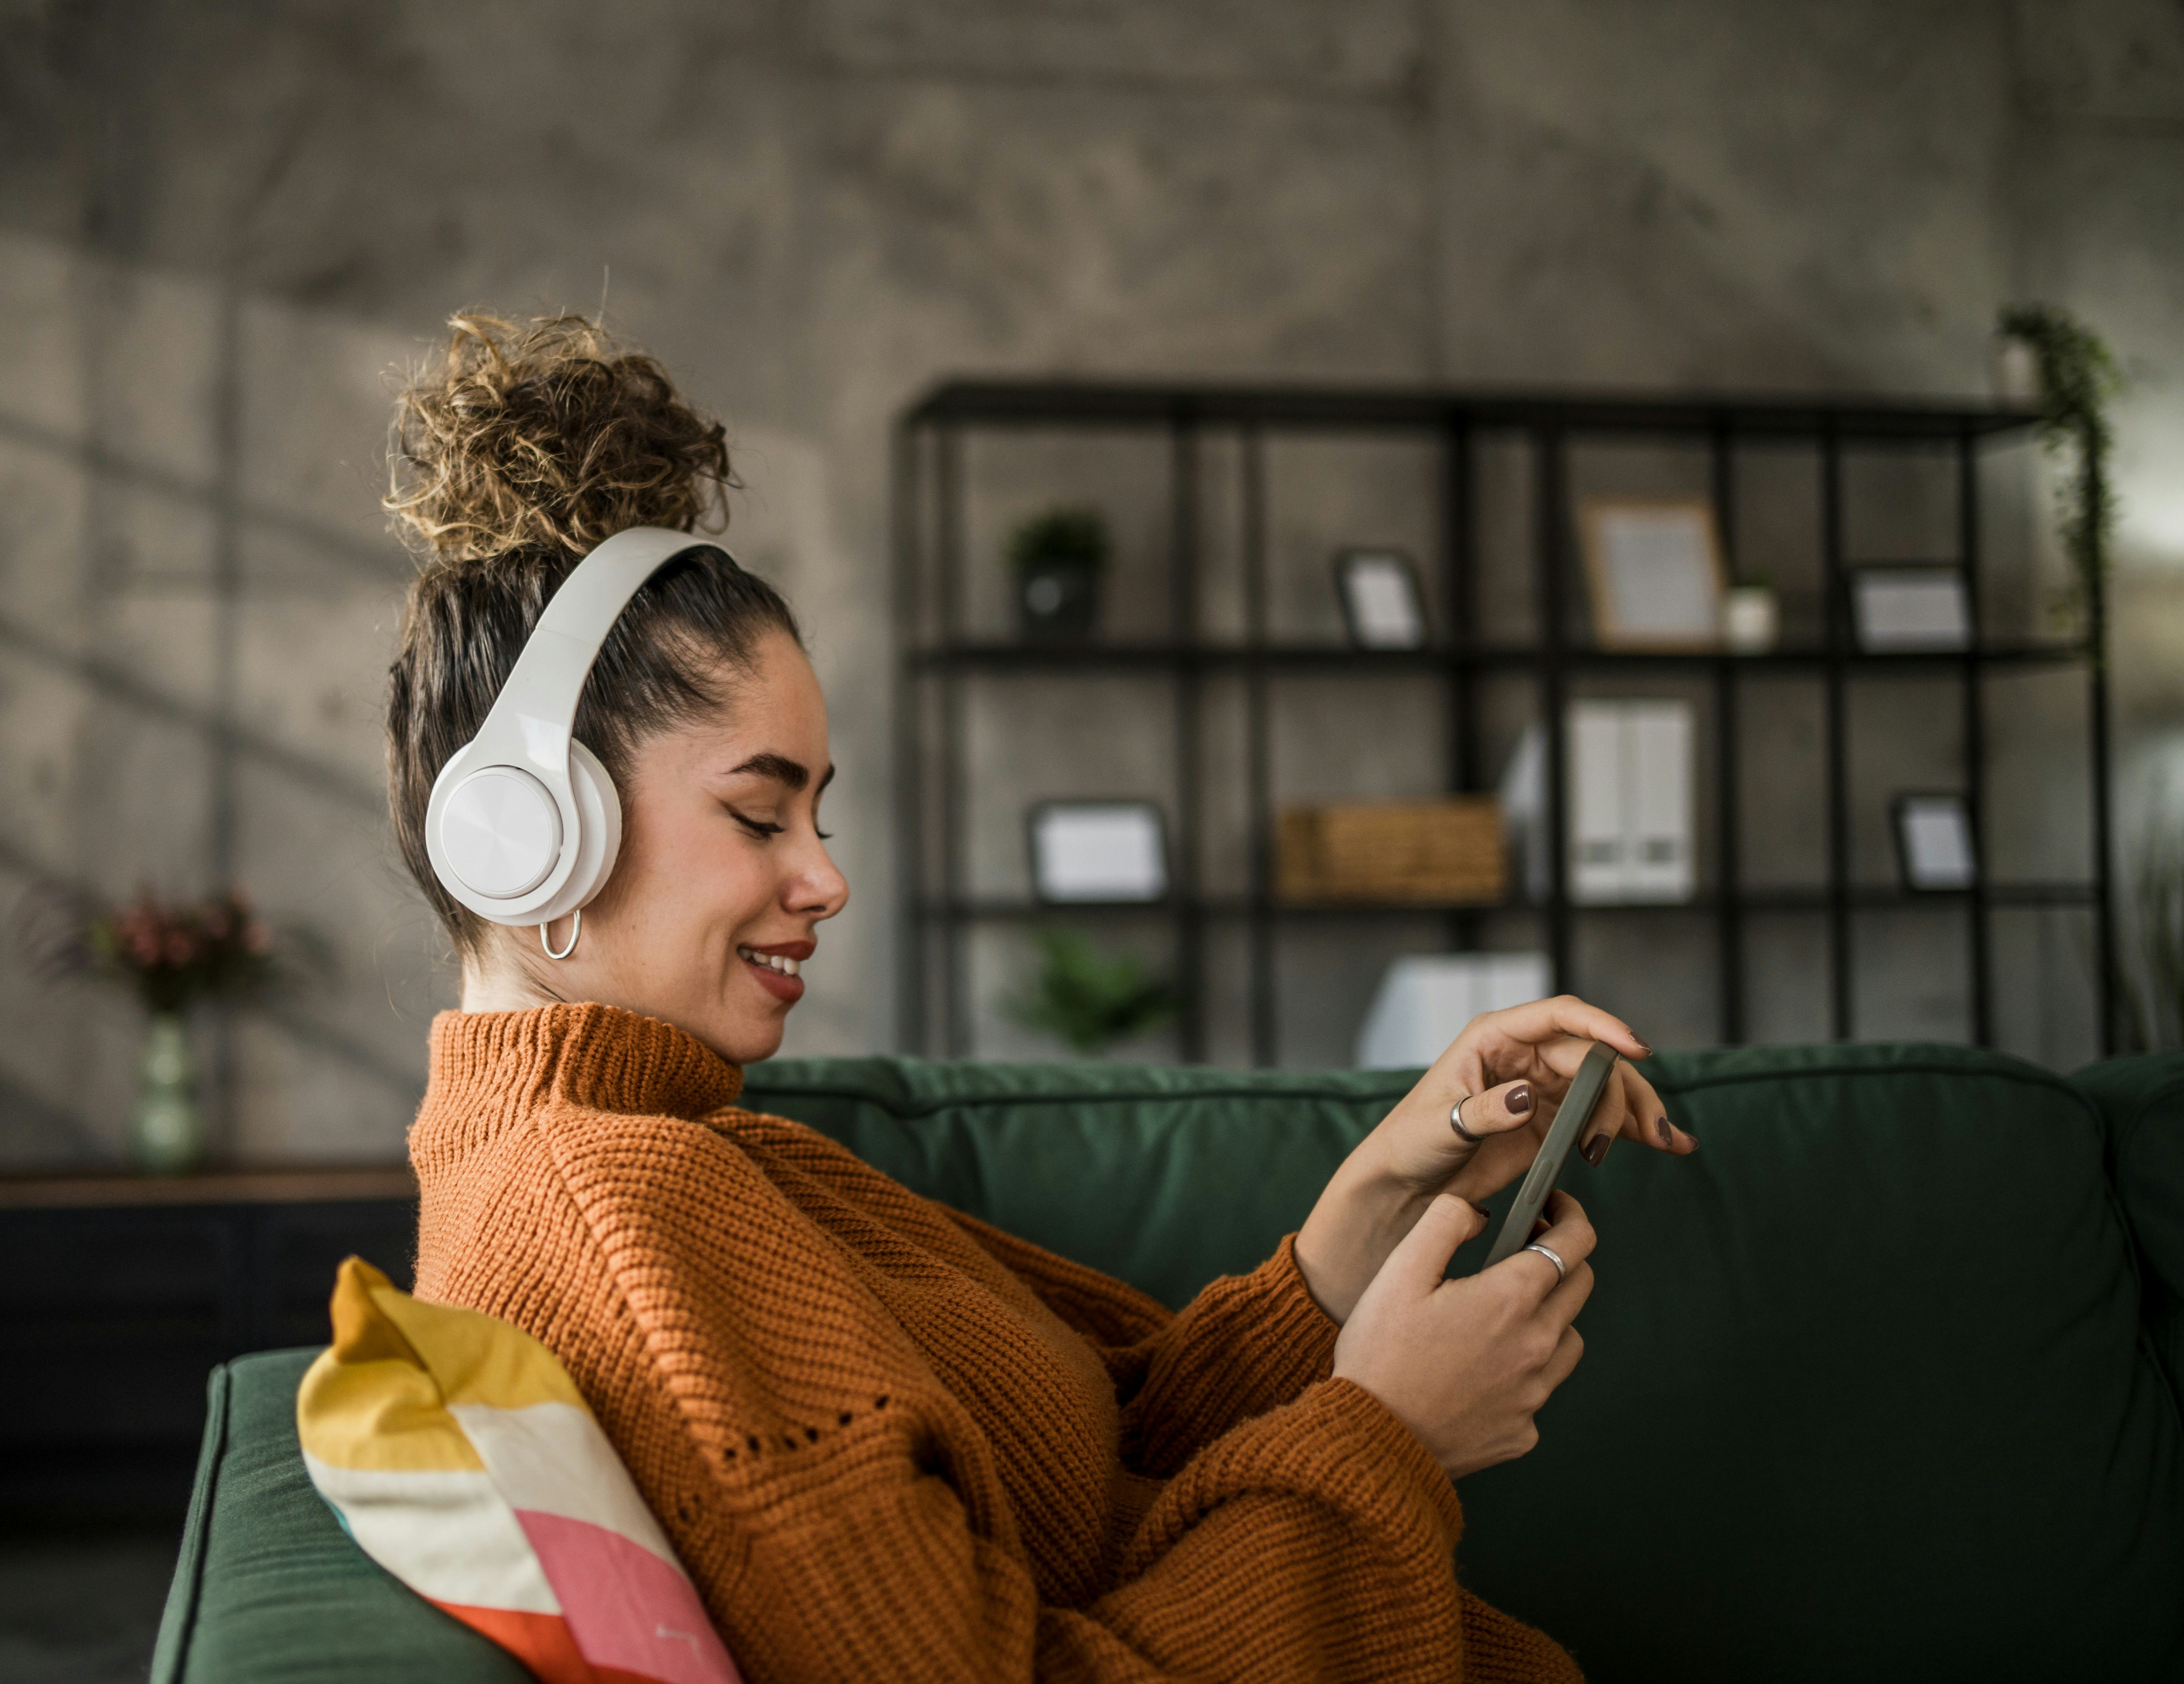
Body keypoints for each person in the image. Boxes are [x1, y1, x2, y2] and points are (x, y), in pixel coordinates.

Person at [384, 311, 1697, 1683]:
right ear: (534, 836)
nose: (827, 881)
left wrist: (1381, 1190)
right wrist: (1388, 1440)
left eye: (820, 819)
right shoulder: (612, 1212)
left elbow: (1115, 1461)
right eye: (761, 817)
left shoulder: (692, 1159)